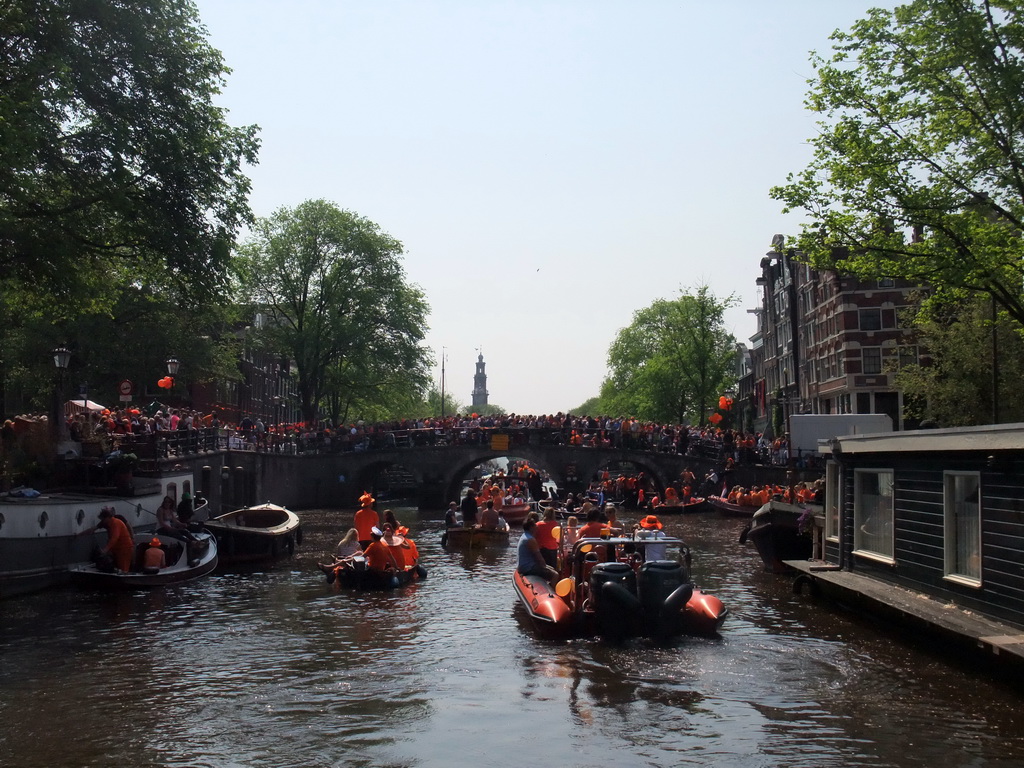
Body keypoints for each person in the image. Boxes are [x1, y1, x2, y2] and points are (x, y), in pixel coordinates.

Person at [516, 518, 558, 584]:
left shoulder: (524, 536)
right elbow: (539, 559)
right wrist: (545, 567)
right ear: (531, 527)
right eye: (535, 525)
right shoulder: (530, 540)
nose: (536, 527)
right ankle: (551, 592)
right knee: (555, 575)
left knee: (551, 568)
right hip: (528, 568)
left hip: (524, 566)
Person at [97, 507, 134, 573]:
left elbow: (114, 538)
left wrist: (106, 549)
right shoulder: (109, 524)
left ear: (108, 517)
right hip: (117, 549)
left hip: (124, 548)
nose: (103, 521)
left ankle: (124, 577)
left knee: (124, 568)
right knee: (118, 566)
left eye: (103, 519)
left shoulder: (116, 523)